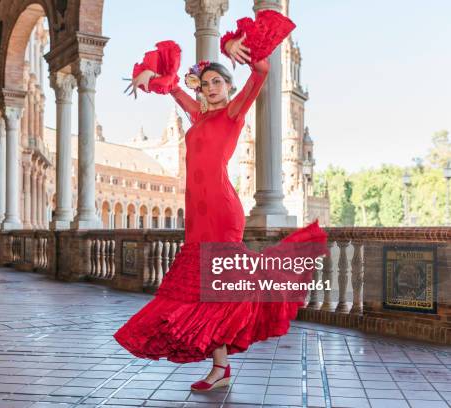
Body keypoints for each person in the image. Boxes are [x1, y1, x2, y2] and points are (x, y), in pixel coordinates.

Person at [114, 12, 328, 392]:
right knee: (209, 289)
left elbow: (260, 73)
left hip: (223, 212)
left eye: (218, 82)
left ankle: (221, 366)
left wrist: (233, 46)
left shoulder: (232, 113)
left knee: (220, 287)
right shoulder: (196, 116)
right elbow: (170, 88)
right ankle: (222, 367)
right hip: (197, 214)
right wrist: (147, 78)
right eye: (206, 83)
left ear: (228, 87)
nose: (211, 88)